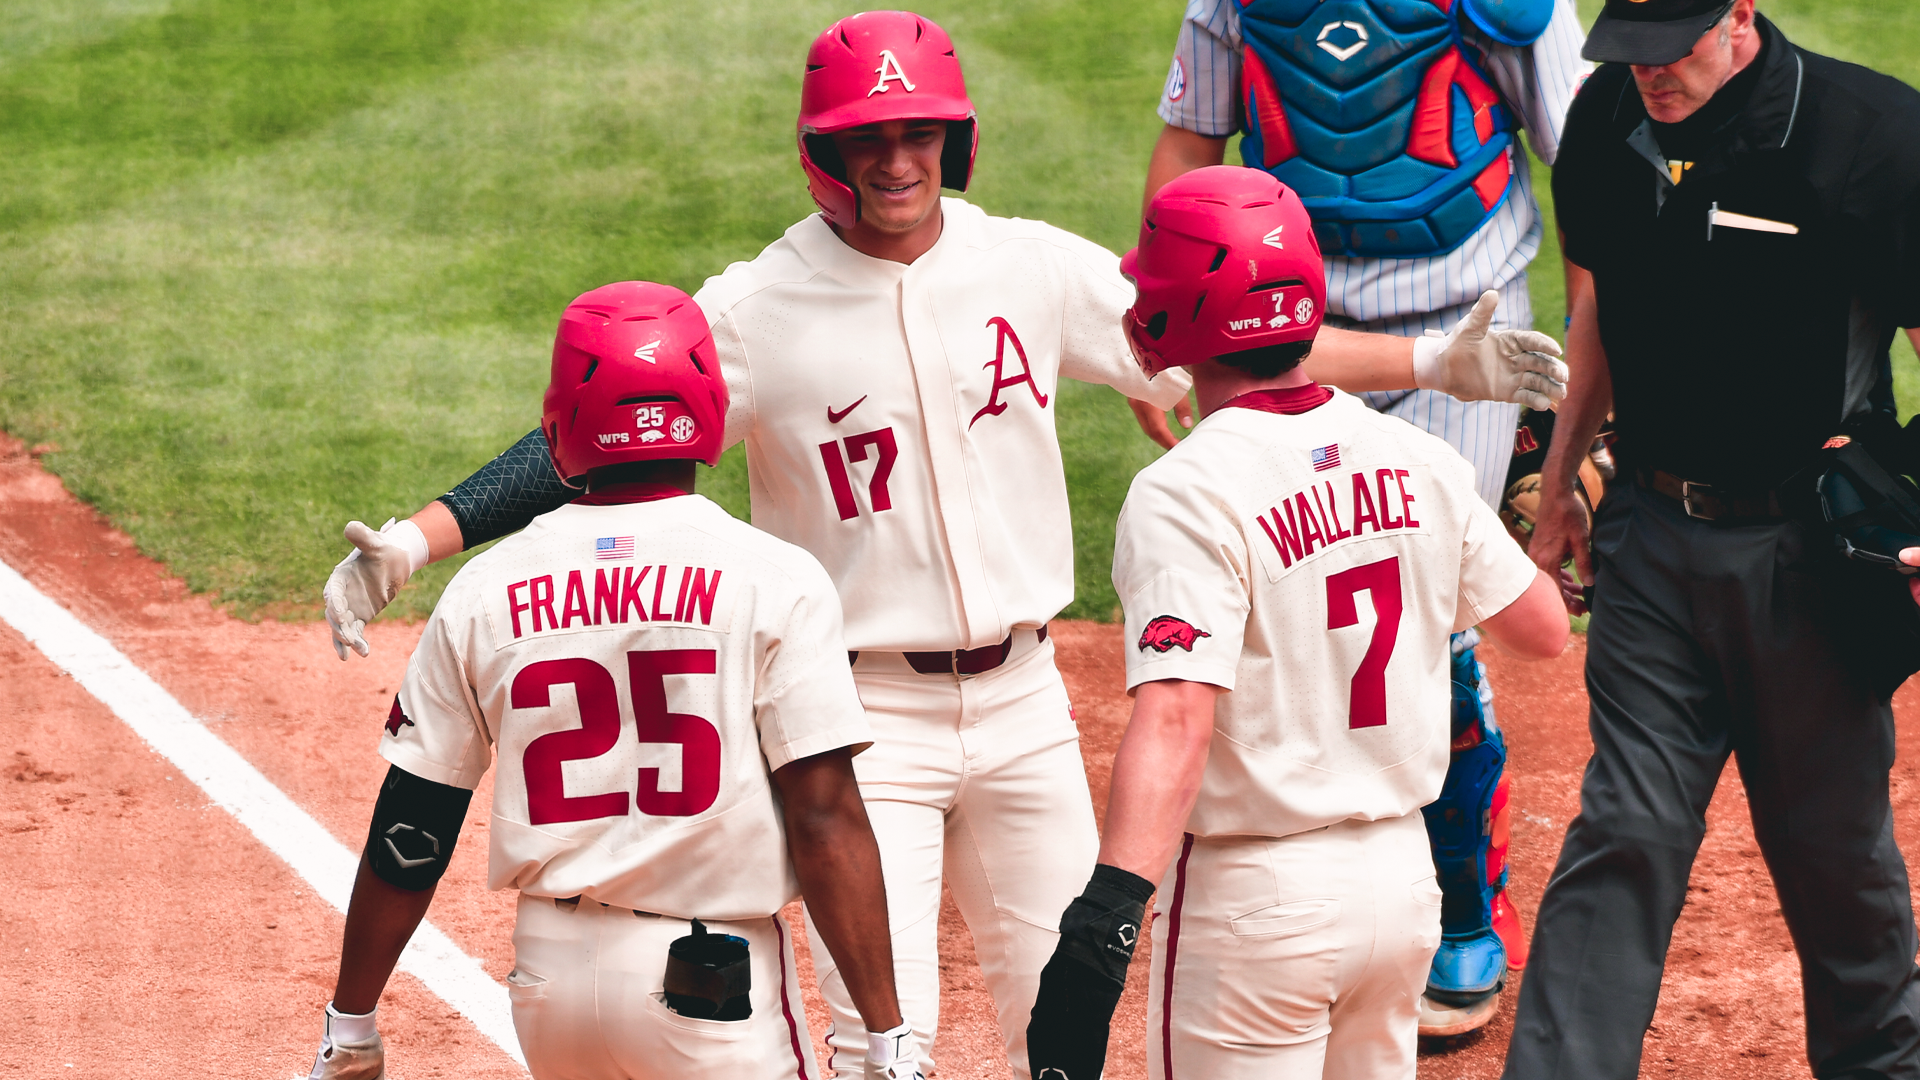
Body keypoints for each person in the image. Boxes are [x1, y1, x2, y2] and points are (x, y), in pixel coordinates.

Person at [319, 11, 1564, 1076]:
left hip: (1025, 709)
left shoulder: (1026, 262)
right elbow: (593, 427)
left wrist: (1425, 361)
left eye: (919, 131)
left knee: (1063, 1022)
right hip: (866, 731)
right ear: (828, 152)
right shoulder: (753, 307)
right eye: (872, 134)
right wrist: (424, 538)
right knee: (886, 1034)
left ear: (952, 138)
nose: (899, 156)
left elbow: (1224, 331)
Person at [1024, 166, 1567, 1080]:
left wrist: (1103, 920)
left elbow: (1178, 715)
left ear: (1171, 318)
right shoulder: (1419, 458)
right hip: (1402, 891)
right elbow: (1545, 628)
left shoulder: (1185, 490)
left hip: (1257, 906)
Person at [302, 281, 921, 1080]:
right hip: (711, 999)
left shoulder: (485, 589)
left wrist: (351, 1024)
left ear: (557, 427)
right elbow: (823, 816)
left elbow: (412, 827)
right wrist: (886, 1038)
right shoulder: (778, 580)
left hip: (549, 989)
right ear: (709, 412)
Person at [1136, 0, 1589, 1034]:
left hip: (1465, 330)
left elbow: (1591, 162)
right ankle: (1300, 863)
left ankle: (1468, 904)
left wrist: (1588, 376)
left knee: (1439, 622)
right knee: (1280, 592)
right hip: (1268, 325)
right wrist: (1164, 306)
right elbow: (1192, 144)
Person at [1507, 0, 1920, 1075]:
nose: (1647, 72)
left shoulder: (1864, 134)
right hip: (1649, 543)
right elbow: (1597, 307)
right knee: (1624, 836)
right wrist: (1562, 481)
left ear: (1739, 13)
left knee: (1835, 865)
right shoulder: (1606, 119)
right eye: (1627, 48)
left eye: (1670, 47)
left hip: (1810, 568)